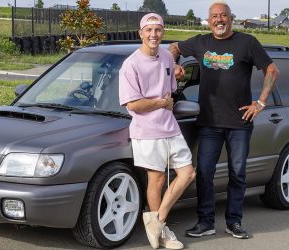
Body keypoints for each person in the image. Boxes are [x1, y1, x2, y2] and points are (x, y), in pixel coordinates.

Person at [169, 0, 279, 240]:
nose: (219, 20)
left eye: (223, 15)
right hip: (209, 123)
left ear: (231, 18)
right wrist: (175, 68)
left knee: (237, 173)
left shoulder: (247, 42)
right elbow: (174, 47)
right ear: (209, 21)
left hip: (240, 123)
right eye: (215, 16)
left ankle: (234, 222)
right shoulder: (200, 42)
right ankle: (206, 222)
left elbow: (271, 70)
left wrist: (259, 103)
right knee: (205, 173)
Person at [119, 13, 196, 249]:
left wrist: (176, 76)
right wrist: (162, 103)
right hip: (147, 130)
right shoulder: (130, 65)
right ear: (141, 33)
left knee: (188, 174)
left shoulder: (165, 56)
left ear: (163, 32)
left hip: (169, 126)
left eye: (158, 30)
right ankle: (161, 234)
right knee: (158, 179)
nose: (154, 35)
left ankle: (158, 221)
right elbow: (133, 104)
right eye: (149, 30)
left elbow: (170, 89)